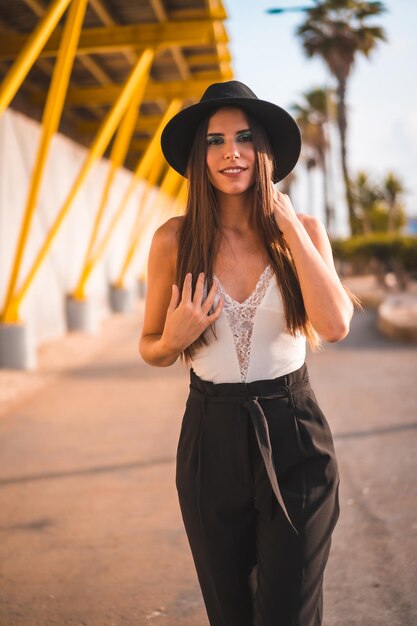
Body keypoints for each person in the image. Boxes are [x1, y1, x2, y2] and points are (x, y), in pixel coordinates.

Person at [139, 81, 360, 626]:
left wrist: (289, 226)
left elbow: (334, 325)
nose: (230, 152)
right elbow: (151, 347)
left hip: (294, 433)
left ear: (264, 150)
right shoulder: (173, 239)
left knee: (288, 611)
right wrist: (173, 336)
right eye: (215, 141)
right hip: (209, 440)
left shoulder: (301, 232)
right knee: (231, 613)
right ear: (200, 156)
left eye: (244, 137)